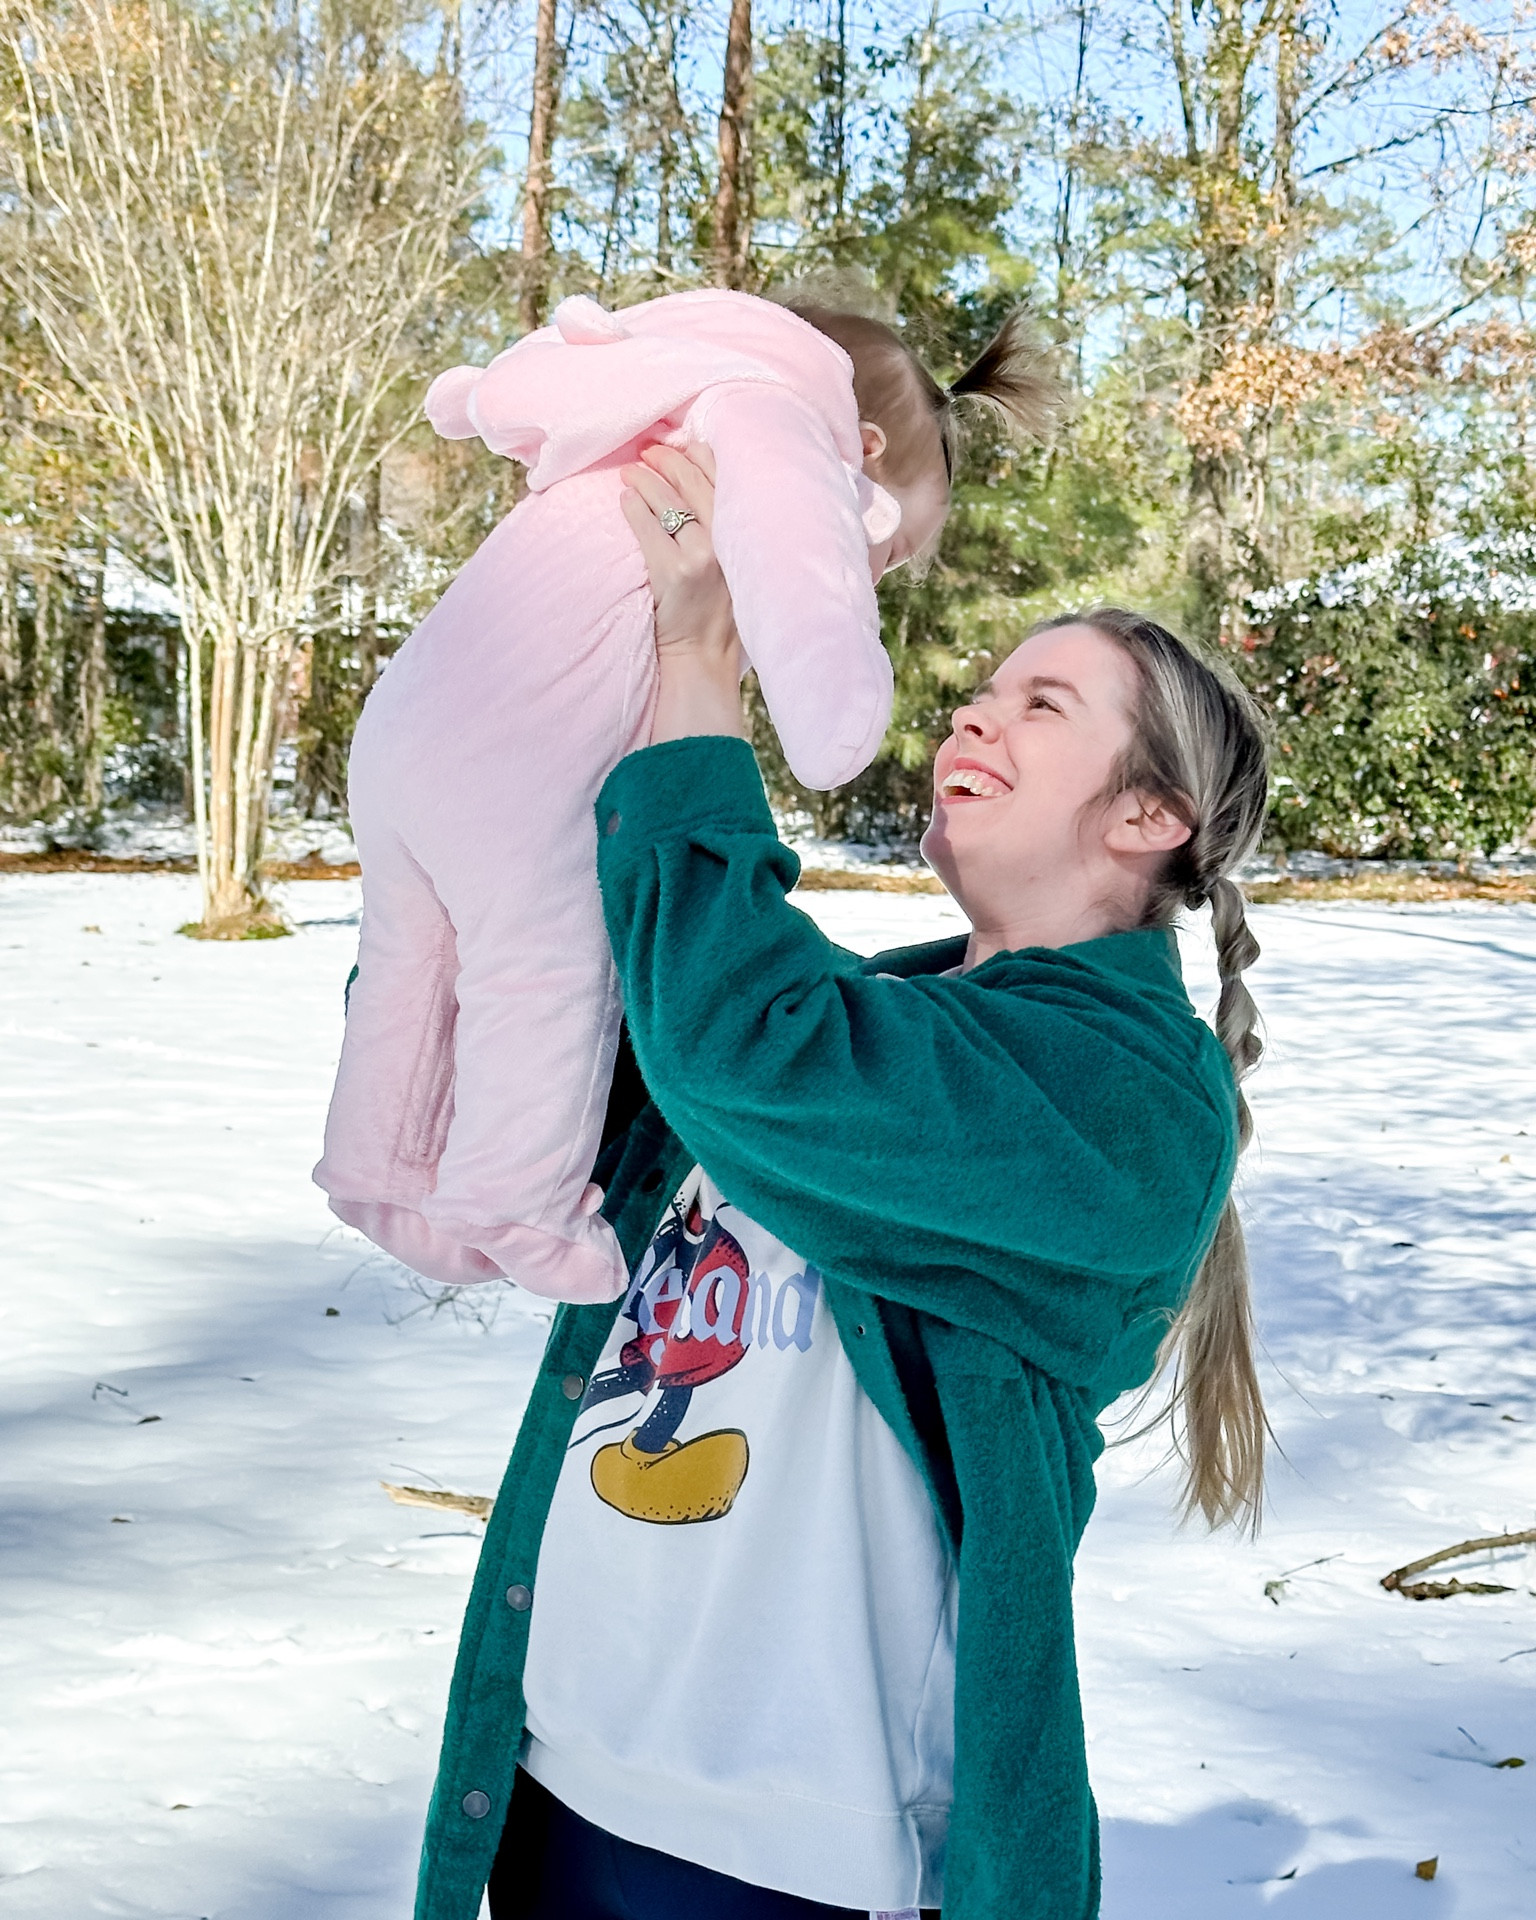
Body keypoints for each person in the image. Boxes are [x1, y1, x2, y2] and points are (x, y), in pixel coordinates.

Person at [409, 444, 1272, 1920]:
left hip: (799, 1853)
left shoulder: (1130, 1100)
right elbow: (500, 1085)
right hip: (561, 1774)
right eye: (982, 690)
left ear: (1150, 817)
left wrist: (701, 661)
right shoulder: (868, 1021)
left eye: (1043, 704)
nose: (974, 713)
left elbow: (744, 1046)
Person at [313, 292, 1051, 1306]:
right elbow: (807, 584)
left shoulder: (645, 428)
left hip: (401, 735)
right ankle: (519, 1203)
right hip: (514, 762)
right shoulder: (773, 422)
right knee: (548, 963)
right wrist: (837, 709)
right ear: (862, 453)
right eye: (884, 551)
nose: (871, 575)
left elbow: (652, 529)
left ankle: (379, 1166)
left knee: (414, 958)